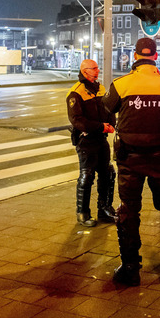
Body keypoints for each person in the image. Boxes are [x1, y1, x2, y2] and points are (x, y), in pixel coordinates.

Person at [103, 38, 160, 285]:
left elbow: (108, 107)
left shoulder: (121, 84)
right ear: (156, 56)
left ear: (135, 56)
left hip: (130, 159)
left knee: (129, 210)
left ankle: (130, 267)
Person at [66, 59, 117, 227]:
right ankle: (83, 212)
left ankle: (104, 209)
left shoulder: (101, 88)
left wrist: (111, 124)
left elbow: (109, 109)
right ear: (84, 70)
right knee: (87, 176)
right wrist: (101, 126)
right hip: (86, 139)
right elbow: (77, 120)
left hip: (101, 139)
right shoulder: (76, 92)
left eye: (97, 68)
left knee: (107, 173)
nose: (97, 71)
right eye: (93, 68)